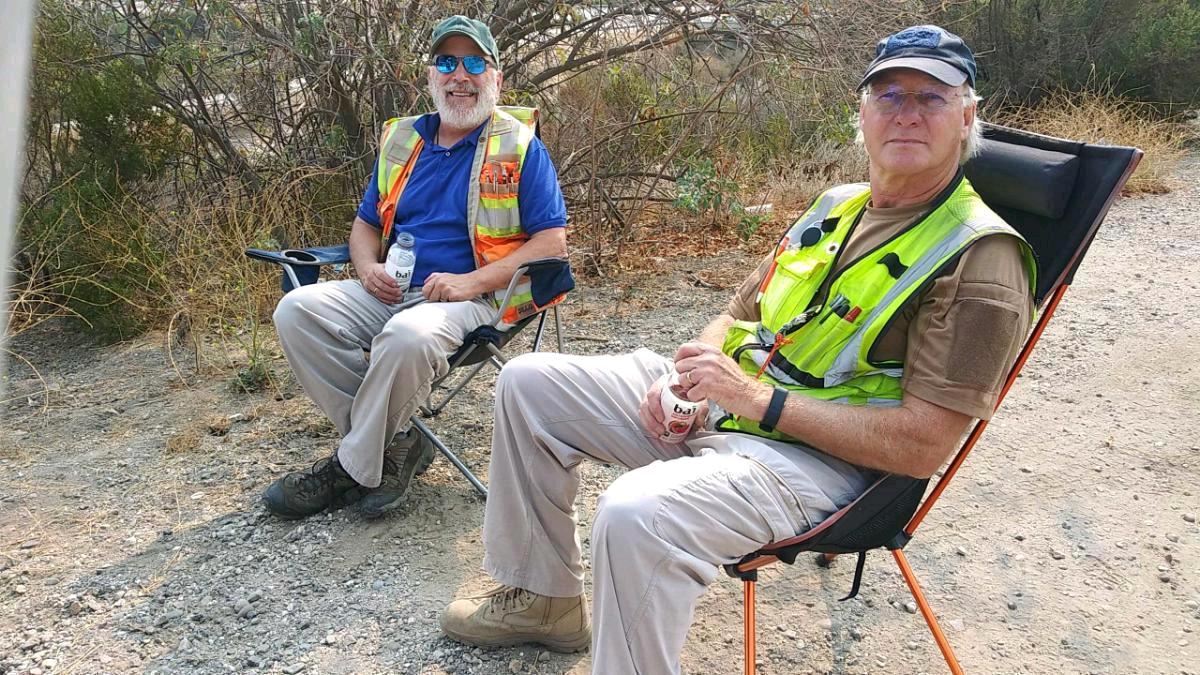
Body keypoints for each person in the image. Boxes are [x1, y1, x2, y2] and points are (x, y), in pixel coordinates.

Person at [439, 25, 1036, 673]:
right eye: (889, 95)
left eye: (932, 97)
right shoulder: (836, 205)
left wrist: (753, 399)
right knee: (528, 384)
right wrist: (684, 384)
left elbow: (924, 445)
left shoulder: (980, 257)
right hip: (731, 411)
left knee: (635, 513)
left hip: (817, 465)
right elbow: (735, 314)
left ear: (969, 115)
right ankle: (547, 598)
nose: (907, 113)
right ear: (861, 113)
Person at [263, 15, 568, 520]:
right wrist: (365, 268)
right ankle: (399, 441)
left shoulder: (519, 147)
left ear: (496, 77)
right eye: (447, 62)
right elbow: (364, 227)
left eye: (474, 62)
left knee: (407, 337)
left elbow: (552, 243)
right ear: (430, 76)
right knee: (295, 310)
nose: (460, 75)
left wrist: (471, 281)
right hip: (391, 290)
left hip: (471, 299)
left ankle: (349, 468)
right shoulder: (403, 141)